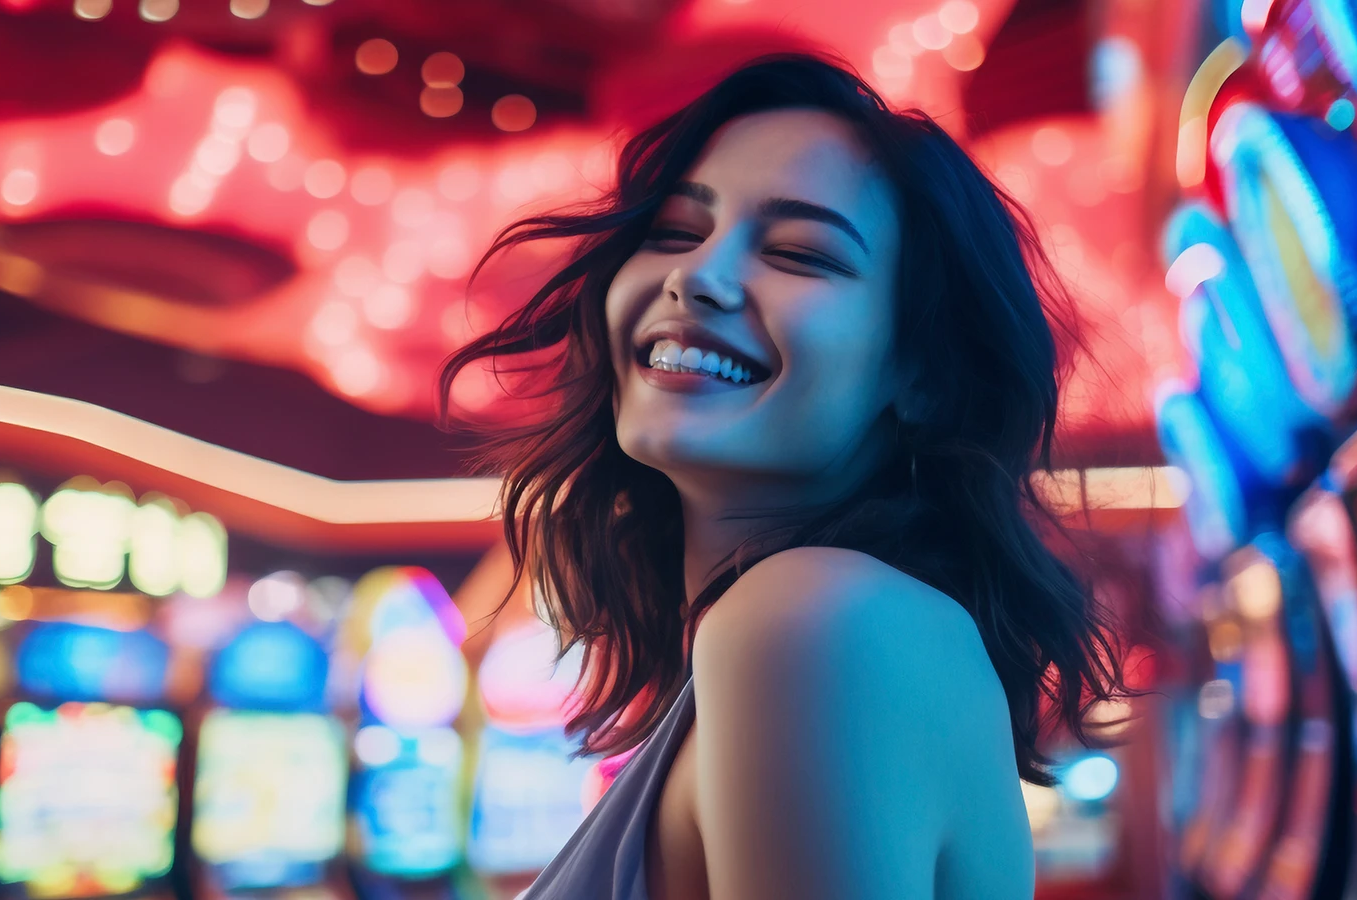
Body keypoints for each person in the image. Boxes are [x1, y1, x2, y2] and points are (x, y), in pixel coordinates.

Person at [439, 51, 1129, 900]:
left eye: (801, 253)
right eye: (676, 233)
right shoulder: (817, 622)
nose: (696, 276)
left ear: (923, 374)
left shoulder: (810, 617)